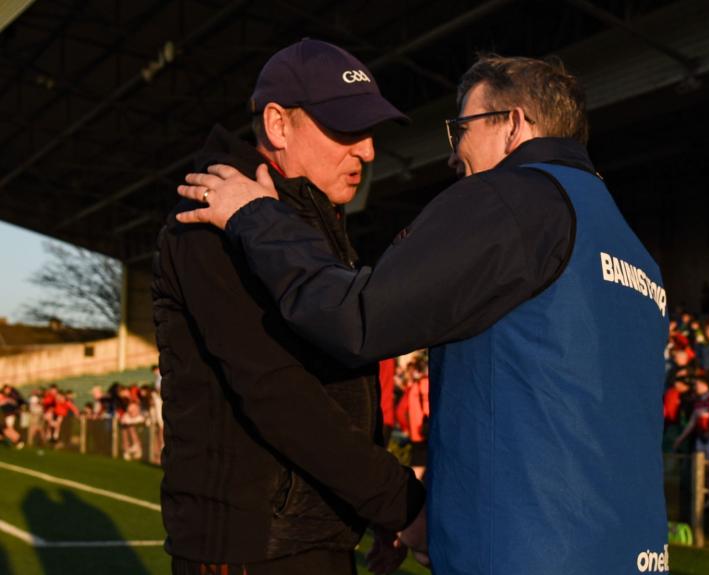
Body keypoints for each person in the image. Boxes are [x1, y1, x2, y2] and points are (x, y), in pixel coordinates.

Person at [177, 54, 670, 573]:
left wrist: (256, 217)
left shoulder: (510, 198)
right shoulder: (632, 249)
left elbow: (357, 318)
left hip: (529, 551)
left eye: (462, 128)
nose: (453, 155)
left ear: (513, 125)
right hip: (630, 550)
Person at [153, 39, 425, 574]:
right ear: (278, 125)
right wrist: (401, 504)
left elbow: (340, 383)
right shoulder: (210, 221)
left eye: (370, 131)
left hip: (310, 533)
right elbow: (278, 392)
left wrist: (374, 511)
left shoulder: (306, 220)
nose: (369, 151)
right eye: (347, 129)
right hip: (254, 545)